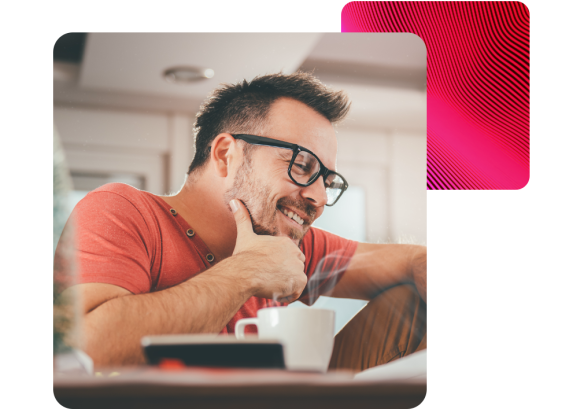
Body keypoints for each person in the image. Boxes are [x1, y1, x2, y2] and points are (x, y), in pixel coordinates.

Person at [55, 72, 427, 369]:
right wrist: (247, 271)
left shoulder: (288, 242)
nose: (319, 197)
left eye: (327, 181)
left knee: (415, 305)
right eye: (301, 166)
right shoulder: (123, 210)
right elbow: (88, 350)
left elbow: (412, 264)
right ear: (224, 155)